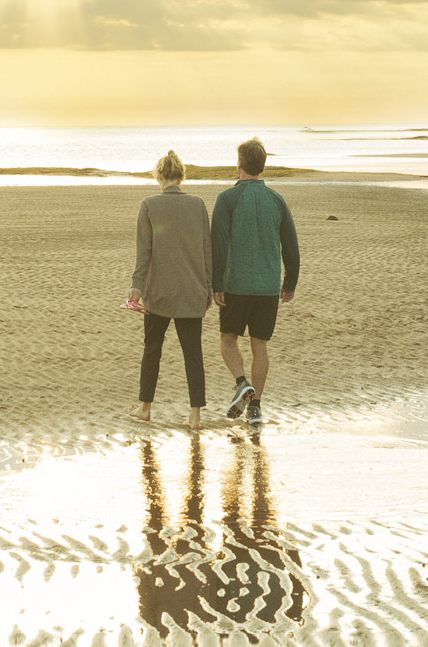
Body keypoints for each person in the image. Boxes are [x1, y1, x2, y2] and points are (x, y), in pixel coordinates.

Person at [211, 138, 299, 424]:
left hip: (235, 285)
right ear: (262, 165)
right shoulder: (277, 200)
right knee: (259, 345)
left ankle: (241, 383)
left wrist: (216, 283)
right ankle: (255, 408)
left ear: (239, 165)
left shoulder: (227, 199)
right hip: (267, 287)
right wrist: (290, 283)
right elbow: (291, 246)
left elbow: (219, 244)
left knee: (227, 340)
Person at [128, 150, 212, 429]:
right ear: (182, 176)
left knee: (152, 348)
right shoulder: (198, 204)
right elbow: (206, 251)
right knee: (193, 353)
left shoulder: (149, 205)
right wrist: (210, 288)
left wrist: (137, 286)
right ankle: (195, 415)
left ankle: (145, 407)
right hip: (192, 290)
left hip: (159, 292)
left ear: (160, 175)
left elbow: (144, 252)